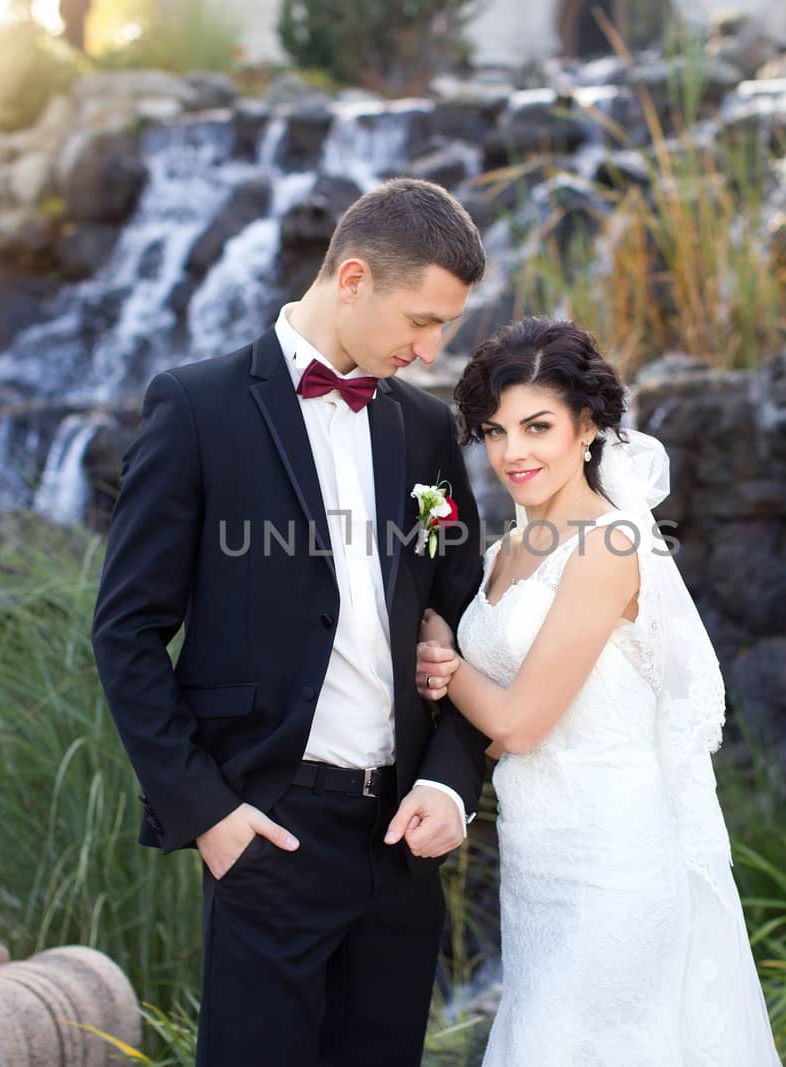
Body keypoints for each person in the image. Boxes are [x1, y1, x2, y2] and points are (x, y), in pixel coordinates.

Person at [91, 178, 491, 1066]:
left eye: (445, 332)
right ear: (353, 277)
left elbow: (468, 613)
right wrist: (208, 813)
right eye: (422, 322)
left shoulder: (427, 430)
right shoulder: (197, 408)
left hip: (403, 842)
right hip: (268, 832)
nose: (431, 351)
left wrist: (453, 781)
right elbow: (125, 630)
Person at [415, 317, 783, 1065]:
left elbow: (518, 723)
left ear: (587, 427)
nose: (512, 453)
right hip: (538, 860)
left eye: (537, 427)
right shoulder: (502, 552)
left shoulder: (610, 545)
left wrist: (446, 662)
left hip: (613, 863)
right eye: (494, 431)